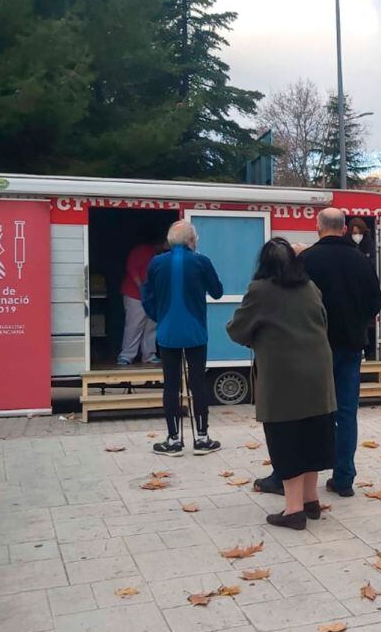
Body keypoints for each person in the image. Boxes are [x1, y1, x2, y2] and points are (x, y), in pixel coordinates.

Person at [254, 208, 381, 498]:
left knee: (303, 414)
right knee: (346, 413)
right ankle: (344, 478)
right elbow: (375, 302)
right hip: (351, 347)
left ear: (318, 227)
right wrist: (357, 324)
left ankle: (289, 477)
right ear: (345, 228)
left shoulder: (308, 260)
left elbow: (293, 300)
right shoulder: (362, 261)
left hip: (312, 350)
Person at [227, 239, 336, 529]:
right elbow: (323, 321)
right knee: (313, 435)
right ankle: (311, 501)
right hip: (318, 373)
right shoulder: (310, 287)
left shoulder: (260, 290)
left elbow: (237, 330)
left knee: (287, 439)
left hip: (282, 378)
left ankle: (293, 510)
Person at [141, 220, 224, 457]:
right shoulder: (202, 261)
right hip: (196, 331)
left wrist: (159, 316)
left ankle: (173, 440)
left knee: (171, 384)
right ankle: (202, 438)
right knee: (198, 383)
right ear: (191, 240)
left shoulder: (156, 262)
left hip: (167, 331)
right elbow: (217, 292)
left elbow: (147, 295)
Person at [118, 230, 163, 366]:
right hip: (135, 295)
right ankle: (126, 355)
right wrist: (141, 288)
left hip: (151, 296)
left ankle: (149, 355)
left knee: (151, 326)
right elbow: (132, 269)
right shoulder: (141, 250)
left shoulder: (158, 255)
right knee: (134, 325)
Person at [348, 218, 377, 359]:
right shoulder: (347, 245)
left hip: (364, 288)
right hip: (351, 288)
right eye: (354, 233)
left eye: (359, 232)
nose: (357, 235)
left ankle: (367, 350)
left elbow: (372, 263)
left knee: (365, 322)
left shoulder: (369, 244)